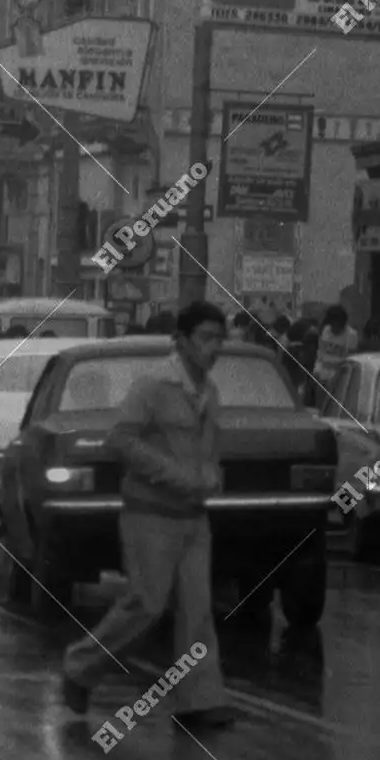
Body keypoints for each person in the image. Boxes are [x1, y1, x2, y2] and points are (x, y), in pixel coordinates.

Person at [61, 301, 235, 733]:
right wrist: (175, 475)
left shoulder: (209, 392)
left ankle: (198, 701)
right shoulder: (152, 387)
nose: (213, 348)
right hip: (150, 515)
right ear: (181, 342)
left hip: (194, 519)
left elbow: (210, 451)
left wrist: (211, 476)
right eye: (205, 339)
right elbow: (121, 441)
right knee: (146, 605)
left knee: (197, 609)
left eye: (219, 339)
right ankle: (80, 667)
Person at [312, 306, 358, 404]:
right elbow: (322, 353)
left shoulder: (351, 335)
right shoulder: (326, 330)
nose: (333, 327)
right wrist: (318, 371)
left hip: (339, 372)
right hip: (324, 371)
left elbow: (350, 359)